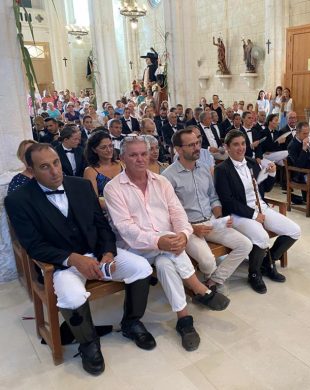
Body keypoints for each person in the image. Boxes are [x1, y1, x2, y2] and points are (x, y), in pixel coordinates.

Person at [5, 143, 155, 376]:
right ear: (31, 171)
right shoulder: (18, 200)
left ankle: (131, 322)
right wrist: (72, 260)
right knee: (72, 296)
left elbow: (102, 225)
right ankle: (88, 343)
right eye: (45, 167)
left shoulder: (81, 186)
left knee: (142, 268)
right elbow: (33, 246)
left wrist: (107, 253)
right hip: (61, 266)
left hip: (96, 253)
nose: (55, 171)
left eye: (56, 163)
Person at [104, 136, 230, 352]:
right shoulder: (113, 188)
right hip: (135, 249)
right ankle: (199, 288)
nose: (140, 159)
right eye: (133, 155)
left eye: (143, 153)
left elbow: (177, 212)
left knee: (164, 262)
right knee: (166, 245)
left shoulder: (160, 181)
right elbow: (126, 229)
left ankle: (184, 320)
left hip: (167, 245)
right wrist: (159, 240)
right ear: (122, 157)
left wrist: (182, 233)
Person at [163, 129, 251, 292]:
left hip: (210, 221)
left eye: (197, 142)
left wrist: (219, 218)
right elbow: (167, 213)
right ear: (178, 149)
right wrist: (193, 228)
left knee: (245, 244)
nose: (197, 147)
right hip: (187, 229)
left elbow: (213, 197)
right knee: (208, 261)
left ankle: (214, 280)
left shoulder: (203, 168)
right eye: (191, 145)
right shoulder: (168, 176)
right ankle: (208, 280)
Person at [214, 130, 301, 293]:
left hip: (261, 207)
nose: (241, 148)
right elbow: (228, 201)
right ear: (227, 147)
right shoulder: (222, 170)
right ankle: (254, 274)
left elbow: (264, 188)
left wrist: (272, 172)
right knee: (261, 236)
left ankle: (268, 262)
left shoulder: (252, 162)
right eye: (235, 144)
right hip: (238, 214)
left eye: (243, 144)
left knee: (294, 231)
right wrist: (254, 215)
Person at [83, 131, 124, 209]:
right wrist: (119, 207)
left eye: (110, 146)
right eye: (103, 147)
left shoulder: (122, 164)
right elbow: (94, 200)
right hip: (105, 212)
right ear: (94, 150)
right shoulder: (90, 171)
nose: (109, 150)